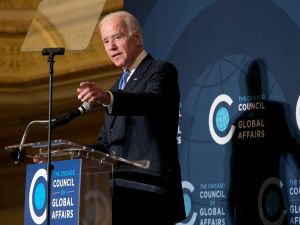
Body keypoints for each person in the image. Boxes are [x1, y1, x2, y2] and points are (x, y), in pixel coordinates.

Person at [77, 10, 186, 225]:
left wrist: (109, 98)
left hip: (151, 193)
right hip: (119, 197)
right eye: (106, 41)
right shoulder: (115, 89)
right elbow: (105, 147)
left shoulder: (160, 71)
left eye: (117, 37)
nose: (111, 47)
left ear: (136, 37)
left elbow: (149, 101)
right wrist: (63, 160)